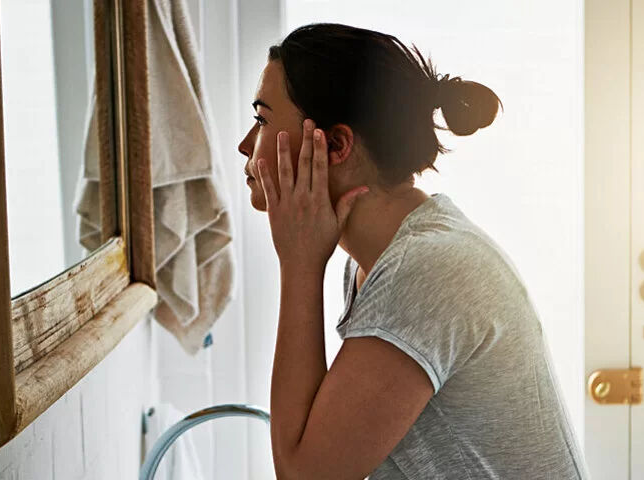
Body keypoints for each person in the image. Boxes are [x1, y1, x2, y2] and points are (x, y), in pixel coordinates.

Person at [237, 23, 588, 480]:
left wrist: (300, 267)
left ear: (337, 144)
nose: (246, 144)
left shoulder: (427, 270)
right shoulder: (380, 262)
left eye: (262, 120)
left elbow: (304, 474)